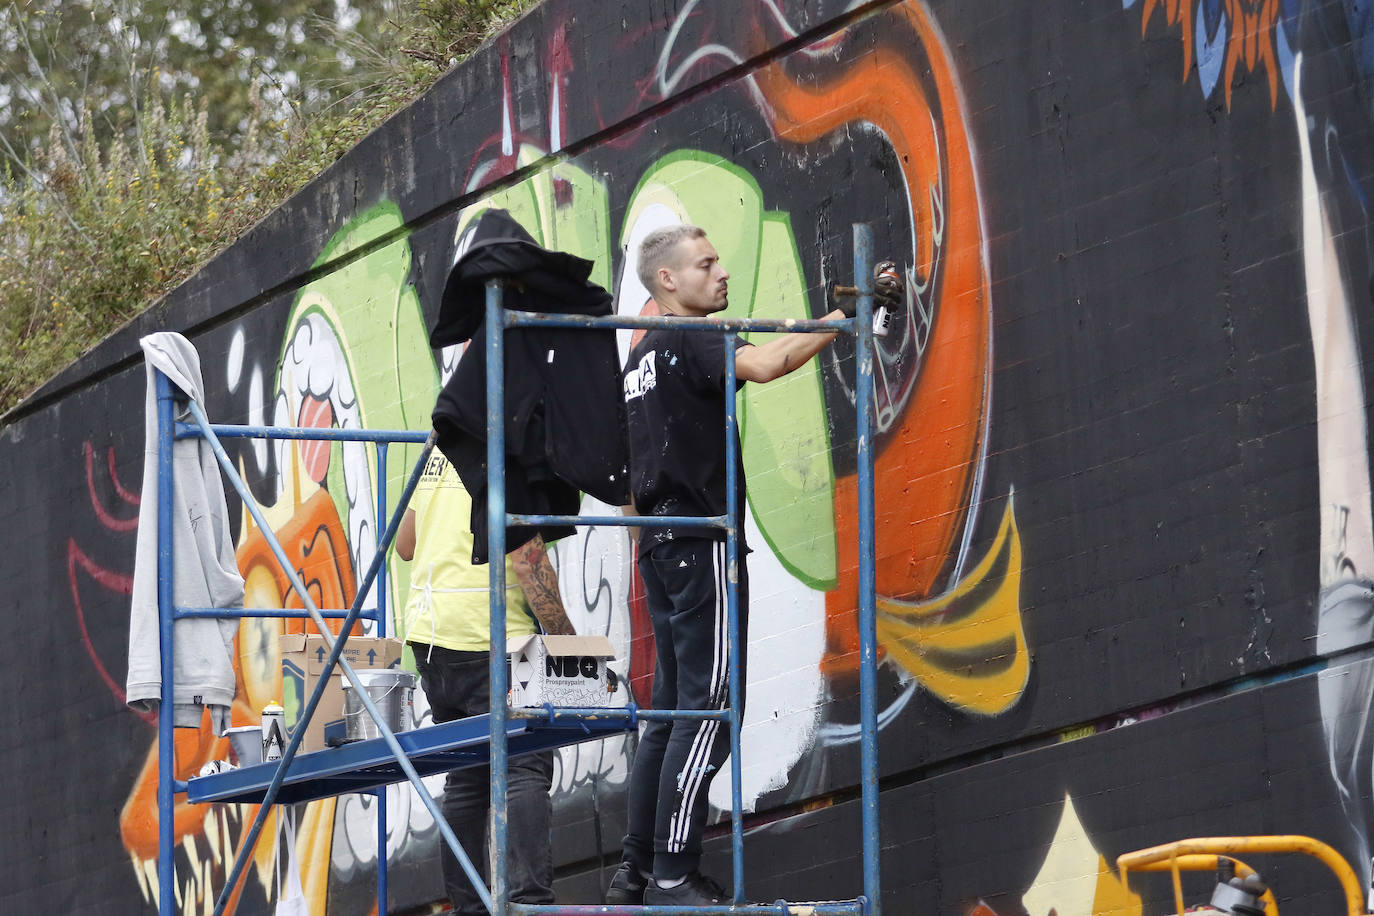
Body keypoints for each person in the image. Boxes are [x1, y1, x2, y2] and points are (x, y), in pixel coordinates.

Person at [608, 224, 903, 906]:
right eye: (705, 264)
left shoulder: (641, 357)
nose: (722, 273)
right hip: (701, 540)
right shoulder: (691, 336)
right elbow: (770, 364)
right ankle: (674, 875)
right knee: (710, 710)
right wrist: (848, 314)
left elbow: (625, 475)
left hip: (658, 543)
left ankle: (636, 870)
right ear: (667, 282)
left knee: (672, 711)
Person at [396, 450, 574, 914]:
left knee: (468, 777)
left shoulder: (441, 446)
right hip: (490, 638)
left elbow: (406, 542)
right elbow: (528, 564)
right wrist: (571, 650)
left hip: (432, 640)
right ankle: (530, 903)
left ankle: (469, 907)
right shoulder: (507, 445)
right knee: (524, 765)